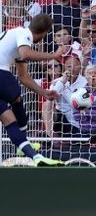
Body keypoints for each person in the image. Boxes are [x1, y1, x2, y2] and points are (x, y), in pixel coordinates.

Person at [0, 14, 66, 166]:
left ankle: (33, 155)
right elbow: (26, 54)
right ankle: (25, 142)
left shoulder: (13, 37)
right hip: (1, 73)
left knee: (9, 120)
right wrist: (53, 55)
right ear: (44, 33)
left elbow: (23, 77)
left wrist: (44, 92)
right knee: (16, 98)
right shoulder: (23, 34)